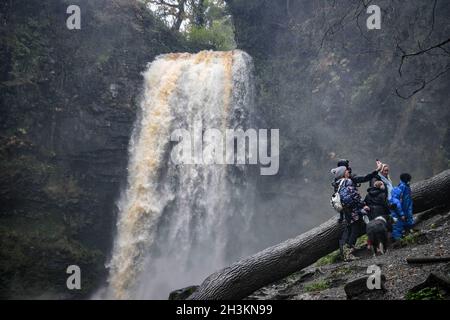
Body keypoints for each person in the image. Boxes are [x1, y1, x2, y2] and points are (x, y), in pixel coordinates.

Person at [331, 166, 369, 261]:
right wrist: (362, 205)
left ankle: (347, 250)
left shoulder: (339, 183)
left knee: (353, 229)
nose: (348, 172)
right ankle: (349, 252)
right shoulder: (347, 181)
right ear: (343, 173)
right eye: (346, 171)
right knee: (355, 229)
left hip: (346, 210)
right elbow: (354, 195)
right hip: (353, 210)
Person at [390, 173, 414, 241]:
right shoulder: (402, 186)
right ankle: (405, 231)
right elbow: (400, 196)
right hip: (404, 206)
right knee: (405, 218)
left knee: (409, 216)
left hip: (408, 204)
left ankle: (409, 229)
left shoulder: (406, 185)